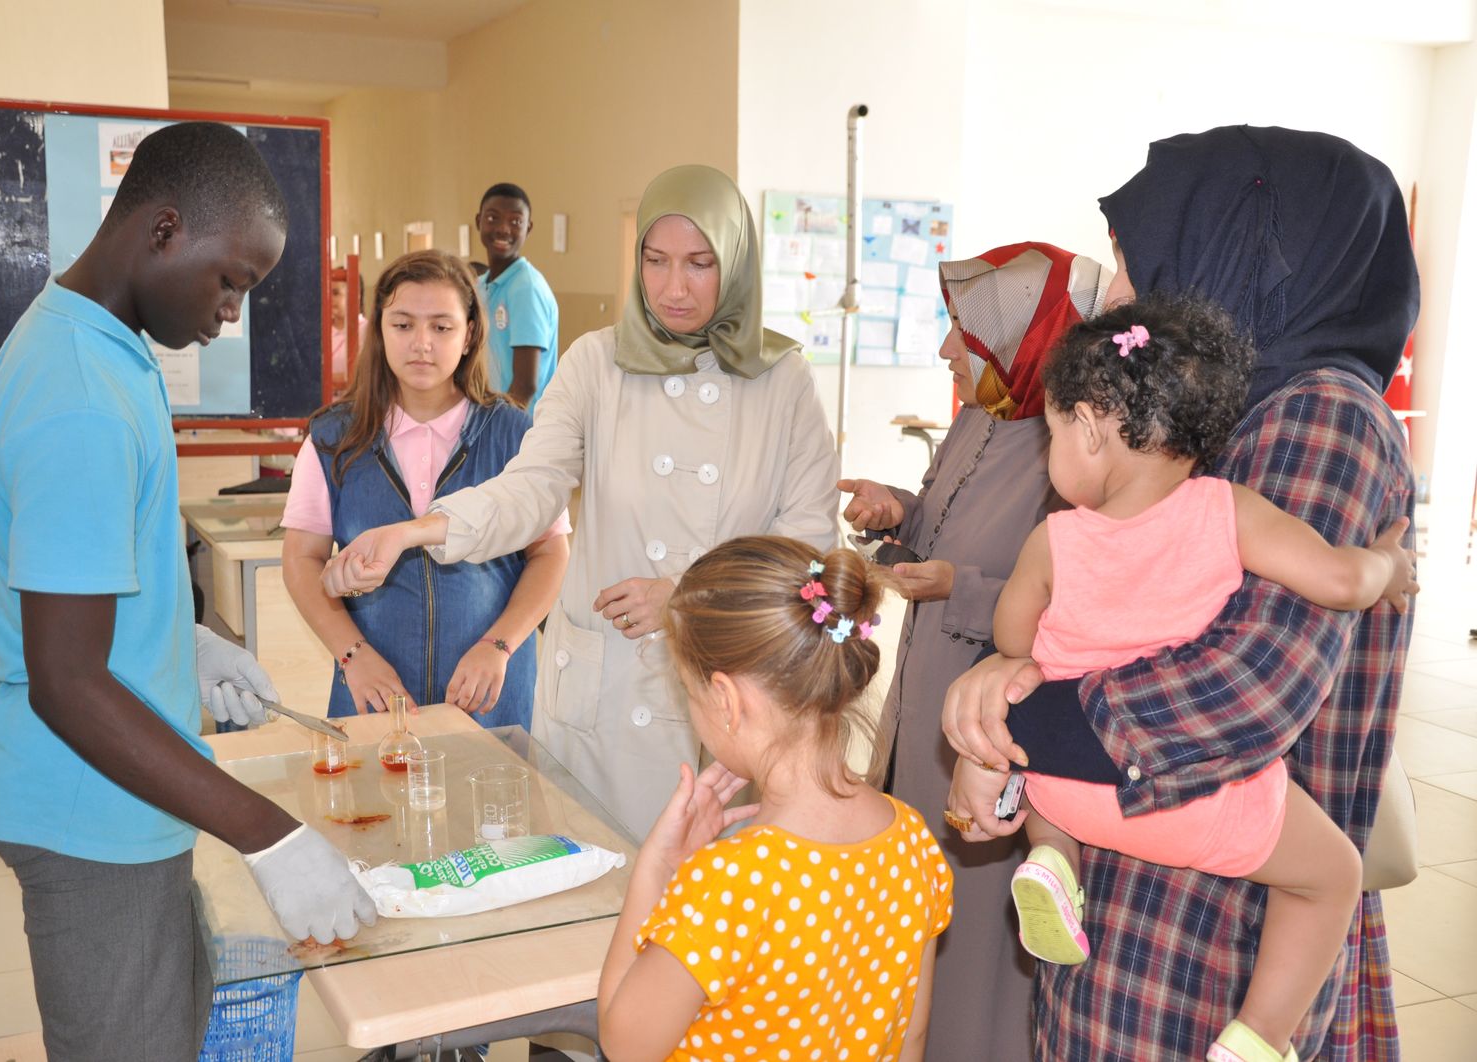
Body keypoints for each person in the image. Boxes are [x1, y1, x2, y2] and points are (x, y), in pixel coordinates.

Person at [942, 126, 1419, 1061]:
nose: (1116, 296)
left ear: (1242, 247)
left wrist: (1014, 720)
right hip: (1130, 921)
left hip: (1214, 953)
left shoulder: (1324, 416)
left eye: (1129, 263)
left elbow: (1248, 683)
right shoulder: (1186, 420)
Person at [0, 122, 376, 1062]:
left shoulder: (101, 345)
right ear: (161, 230)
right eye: (230, 279)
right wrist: (269, 836)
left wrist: (179, 639)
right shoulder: (80, 396)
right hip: (90, 813)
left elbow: (87, 583)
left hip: (120, 798)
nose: (232, 313)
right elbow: (68, 682)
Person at [319, 164, 840, 835]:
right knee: (597, 888)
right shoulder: (597, 363)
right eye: (654, 261)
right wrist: (417, 531)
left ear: (736, 263)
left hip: (734, 690)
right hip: (609, 691)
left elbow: (808, 544)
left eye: (699, 264)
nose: (673, 288)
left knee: (710, 905)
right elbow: (531, 488)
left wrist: (687, 595)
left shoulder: (784, 383)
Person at [838, 241, 1109, 1062]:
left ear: (1023, 342)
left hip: (996, 725)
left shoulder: (1074, 448)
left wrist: (957, 583)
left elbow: (1074, 600)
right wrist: (899, 513)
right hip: (929, 707)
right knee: (925, 908)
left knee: (980, 939)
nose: (950, 351)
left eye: (966, 335)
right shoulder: (979, 416)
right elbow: (944, 520)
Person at [596, 536, 954, 1061]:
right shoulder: (913, 842)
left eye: (688, 693)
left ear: (724, 699)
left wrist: (657, 869)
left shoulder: (729, 883)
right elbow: (910, 1039)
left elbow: (625, 1043)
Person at [282, 250, 569, 722]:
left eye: (441, 326)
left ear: (470, 333)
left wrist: (499, 645)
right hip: (375, 697)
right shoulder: (334, 438)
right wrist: (352, 655)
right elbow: (300, 558)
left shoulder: (514, 435)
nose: (421, 344)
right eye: (402, 325)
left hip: (489, 695)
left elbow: (551, 553)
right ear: (379, 330)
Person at [475, 182, 559, 412]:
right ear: (478, 221)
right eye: (493, 218)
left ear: (528, 228)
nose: (504, 229)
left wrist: (498, 433)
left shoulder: (526, 288)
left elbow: (525, 385)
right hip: (487, 415)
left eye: (515, 222)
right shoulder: (481, 285)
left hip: (518, 428)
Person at [329, 275, 368, 388]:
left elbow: (365, 375)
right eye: (327, 292)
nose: (329, 298)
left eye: (336, 293)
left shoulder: (368, 330)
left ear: (355, 296)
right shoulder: (321, 332)